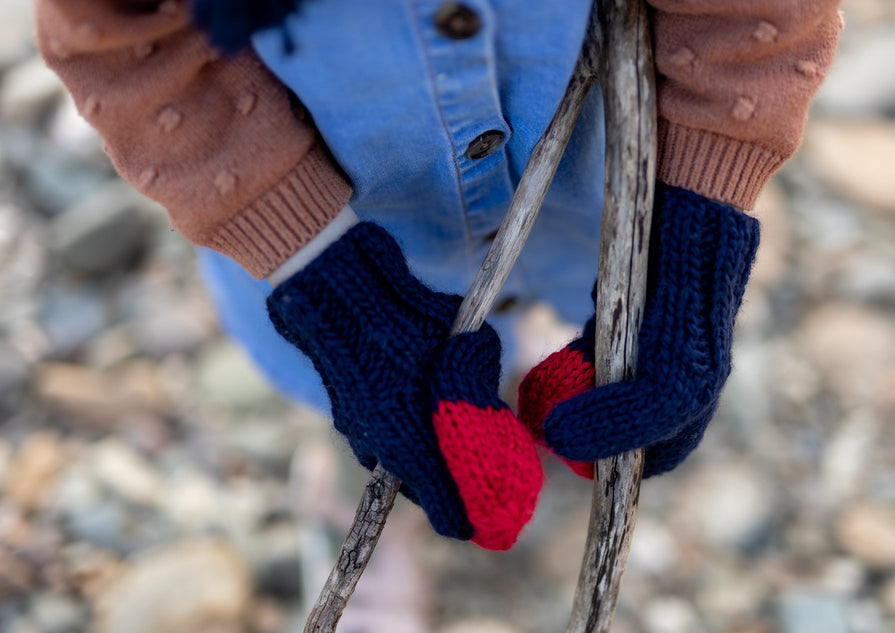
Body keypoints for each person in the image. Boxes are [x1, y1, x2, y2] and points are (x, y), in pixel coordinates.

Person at [34, 0, 843, 550]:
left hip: (588, 164)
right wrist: (323, 277)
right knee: (360, 396)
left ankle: (506, 379)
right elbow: (125, 43)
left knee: (568, 313)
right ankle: (365, 497)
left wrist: (695, 231)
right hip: (310, 203)